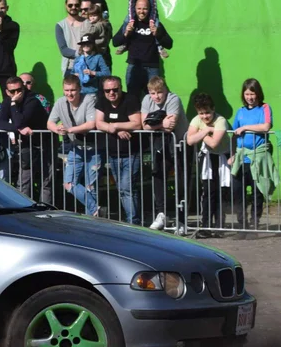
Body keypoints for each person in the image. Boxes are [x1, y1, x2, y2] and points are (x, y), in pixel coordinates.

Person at [48, 75, 99, 216]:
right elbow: (50, 122)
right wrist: (57, 129)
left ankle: (92, 220)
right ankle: (95, 209)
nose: (69, 93)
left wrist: (69, 130)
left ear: (79, 89)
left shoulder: (89, 99)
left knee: (91, 186)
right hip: (75, 148)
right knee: (68, 184)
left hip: (93, 148)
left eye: (73, 90)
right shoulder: (60, 103)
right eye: (67, 90)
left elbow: (91, 124)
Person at [141, 76, 187, 232]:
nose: (157, 96)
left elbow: (171, 126)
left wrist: (154, 123)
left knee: (181, 179)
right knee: (158, 176)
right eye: (153, 93)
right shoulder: (147, 100)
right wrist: (161, 123)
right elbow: (144, 125)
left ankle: (181, 219)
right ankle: (161, 213)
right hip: (160, 142)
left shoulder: (173, 99)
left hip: (180, 142)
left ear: (166, 90)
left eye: (160, 92)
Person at [228, 78, 275, 232]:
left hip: (258, 157)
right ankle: (242, 225)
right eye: (247, 94)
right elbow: (234, 134)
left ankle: (254, 224)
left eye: (252, 94)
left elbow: (266, 126)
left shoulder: (265, 108)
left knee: (257, 193)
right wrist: (232, 154)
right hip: (242, 159)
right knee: (238, 193)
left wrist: (246, 127)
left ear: (258, 94)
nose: (250, 97)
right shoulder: (240, 112)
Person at [94, 76, 141, 224]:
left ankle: (133, 222)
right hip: (113, 153)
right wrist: (114, 129)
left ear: (121, 88)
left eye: (115, 89)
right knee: (121, 189)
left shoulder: (130, 100)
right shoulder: (102, 100)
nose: (111, 93)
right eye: (108, 90)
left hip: (131, 152)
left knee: (127, 188)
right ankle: (131, 220)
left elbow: (137, 124)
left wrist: (116, 125)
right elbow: (98, 123)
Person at [0, 75, 51, 201]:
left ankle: (46, 210)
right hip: (28, 146)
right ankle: (25, 210)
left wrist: (13, 104)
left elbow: (21, 121)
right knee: (24, 180)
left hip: (44, 143)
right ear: (7, 92)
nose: (16, 94)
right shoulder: (8, 101)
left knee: (46, 181)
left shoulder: (32, 100)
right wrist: (18, 129)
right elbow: (0, 123)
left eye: (19, 90)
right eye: (12, 91)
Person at [187, 93, 231, 234]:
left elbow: (214, 143)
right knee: (208, 193)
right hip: (208, 158)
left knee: (221, 192)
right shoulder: (196, 120)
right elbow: (189, 140)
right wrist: (206, 130)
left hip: (223, 157)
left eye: (207, 113)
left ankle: (219, 226)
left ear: (213, 109)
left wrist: (200, 133)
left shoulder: (221, 120)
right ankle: (205, 225)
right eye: (201, 113)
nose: (205, 116)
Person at [112, 0, 172, 97]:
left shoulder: (155, 24)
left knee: (155, 98)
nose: (142, 11)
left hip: (152, 67)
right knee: (133, 99)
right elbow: (115, 42)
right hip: (134, 66)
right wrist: (126, 33)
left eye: (145, 8)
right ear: (134, 9)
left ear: (149, 10)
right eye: (139, 8)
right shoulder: (130, 24)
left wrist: (158, 34)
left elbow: (169, 44)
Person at [55, 0, 89, 79]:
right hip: (70, 67)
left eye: (76, 5)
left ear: (80, 6)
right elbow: (64, 50)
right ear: (66, 5)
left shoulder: (88, 23)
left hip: (89, 67)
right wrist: (81, 53)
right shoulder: (60, 25)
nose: (73, 7)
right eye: (70, 5)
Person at [82, 0, 114, 69]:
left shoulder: (97, 25)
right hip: (104, 50)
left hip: (98, 50)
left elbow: (88, 33)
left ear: (99, 15)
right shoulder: (106, 23)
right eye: (91, 16)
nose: (92, 18)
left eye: (94, 16)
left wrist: (89, 24)